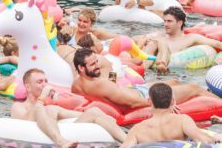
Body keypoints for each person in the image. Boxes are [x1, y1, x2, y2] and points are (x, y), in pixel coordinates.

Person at [12, 68, 125, 148]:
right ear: (28, 87)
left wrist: (105, 117)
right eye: (39, 81)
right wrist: (42, 97)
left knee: (94, 111)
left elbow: (81, 115)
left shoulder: (50, 107)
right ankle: (61, 141)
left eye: (46, 81)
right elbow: (25, 123)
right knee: (44, 109)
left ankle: (127, 141)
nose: (45, 84)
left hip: (63, 138)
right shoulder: (18, 106)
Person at [71, 48, 213, 108]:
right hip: (144, 95)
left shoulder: (76, 84)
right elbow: (133, 103)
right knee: (194, 88)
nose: (97, 66)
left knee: (174, 81)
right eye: (93, 64)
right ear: (81, 68)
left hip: (134, 89)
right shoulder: (102, 85)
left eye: (97, 61)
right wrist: (163, 103)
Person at [115, 82, 222, 148]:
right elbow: (204, 140)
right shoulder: (182, 120)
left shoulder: (138, 129)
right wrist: (216, 141)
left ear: (149, 102)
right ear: (173, 101)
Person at [144, 6, 222, 73]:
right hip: (152, 72)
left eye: (169, 21)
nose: (165, 24)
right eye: (165, 21)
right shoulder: (158, 35)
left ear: (180, 23)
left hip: (176, 74)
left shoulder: (191, 38)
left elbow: (218, 44)